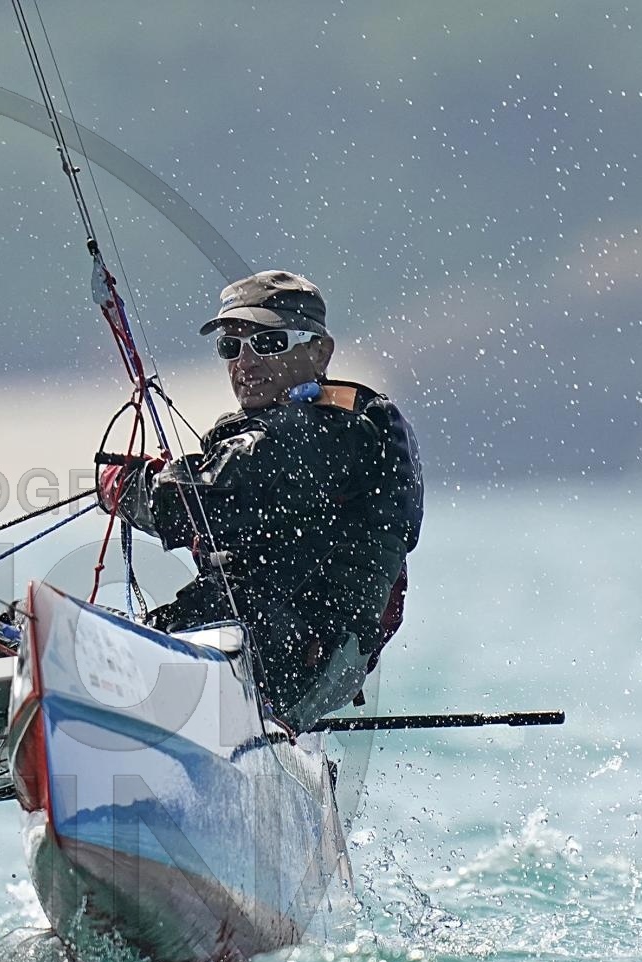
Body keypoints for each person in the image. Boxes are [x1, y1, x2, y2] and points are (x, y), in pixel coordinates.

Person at [100, 271, 423, 729]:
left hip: (286, 658)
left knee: (88, 645)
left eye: (268, 343)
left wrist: (121, 486)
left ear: (320, 351)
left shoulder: (324, 432)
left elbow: (192, 506)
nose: (245, 362)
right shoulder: (324, 427)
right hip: (289, 654)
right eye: (231, 347)